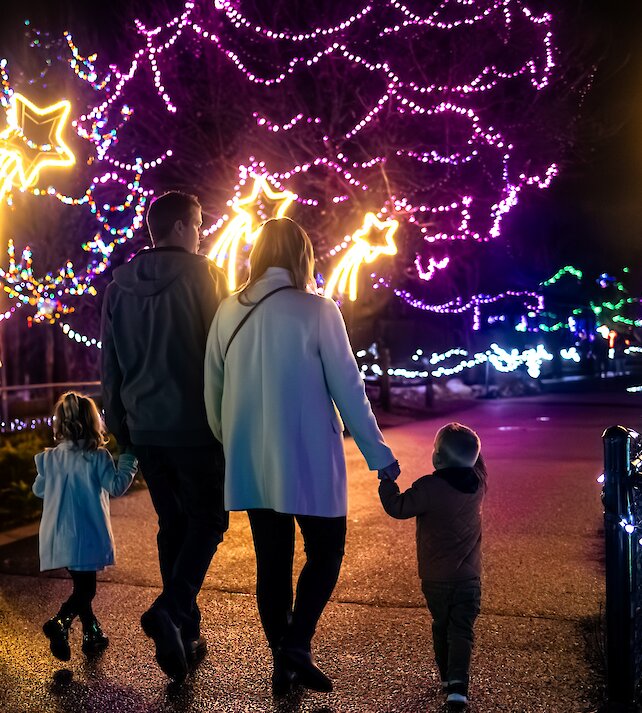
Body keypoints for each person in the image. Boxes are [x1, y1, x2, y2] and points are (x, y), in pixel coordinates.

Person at [204, 216, 400, 695]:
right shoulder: (318, 310)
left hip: (251, 457)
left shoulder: (228, 310)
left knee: (272, 564)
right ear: (302, 257)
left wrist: (233, 440)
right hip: (309, 456)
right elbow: (348, 390)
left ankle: (283, 661)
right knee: (327, 550)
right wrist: (379, 455)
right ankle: (297, 644)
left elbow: (212, 391)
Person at [101, 191, 228, 683]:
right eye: (197, 225)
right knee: (210, 519)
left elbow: (109, 363)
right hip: (195, 426)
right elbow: (222, 354)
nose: (200, 234)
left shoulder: (117, 287)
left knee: (173, 523)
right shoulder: (207, 277)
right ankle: (171, 611)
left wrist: (120, 426)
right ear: (178, 227)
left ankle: (186, 633)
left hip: (144, 427)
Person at [378, 422, 486, 707]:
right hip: (468, 579)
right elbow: (475, 462)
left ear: (437, 458)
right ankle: (458, 686)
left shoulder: (429, 487)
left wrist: (387, 483)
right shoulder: (478, 485)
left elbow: (398, 507)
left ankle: (447, 678)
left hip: (436, 578)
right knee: (462, 629)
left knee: (441, 625)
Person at [33, 391, 138, 662]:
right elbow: (116, 485)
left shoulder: (49, 459)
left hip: (58, 535)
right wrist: (129, 459)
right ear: (93, 422)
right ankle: (60, 622)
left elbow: (39, 490)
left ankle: (91, 633)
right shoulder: (97, 457)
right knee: (86, 590)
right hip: (85, 535)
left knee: (82, 587)